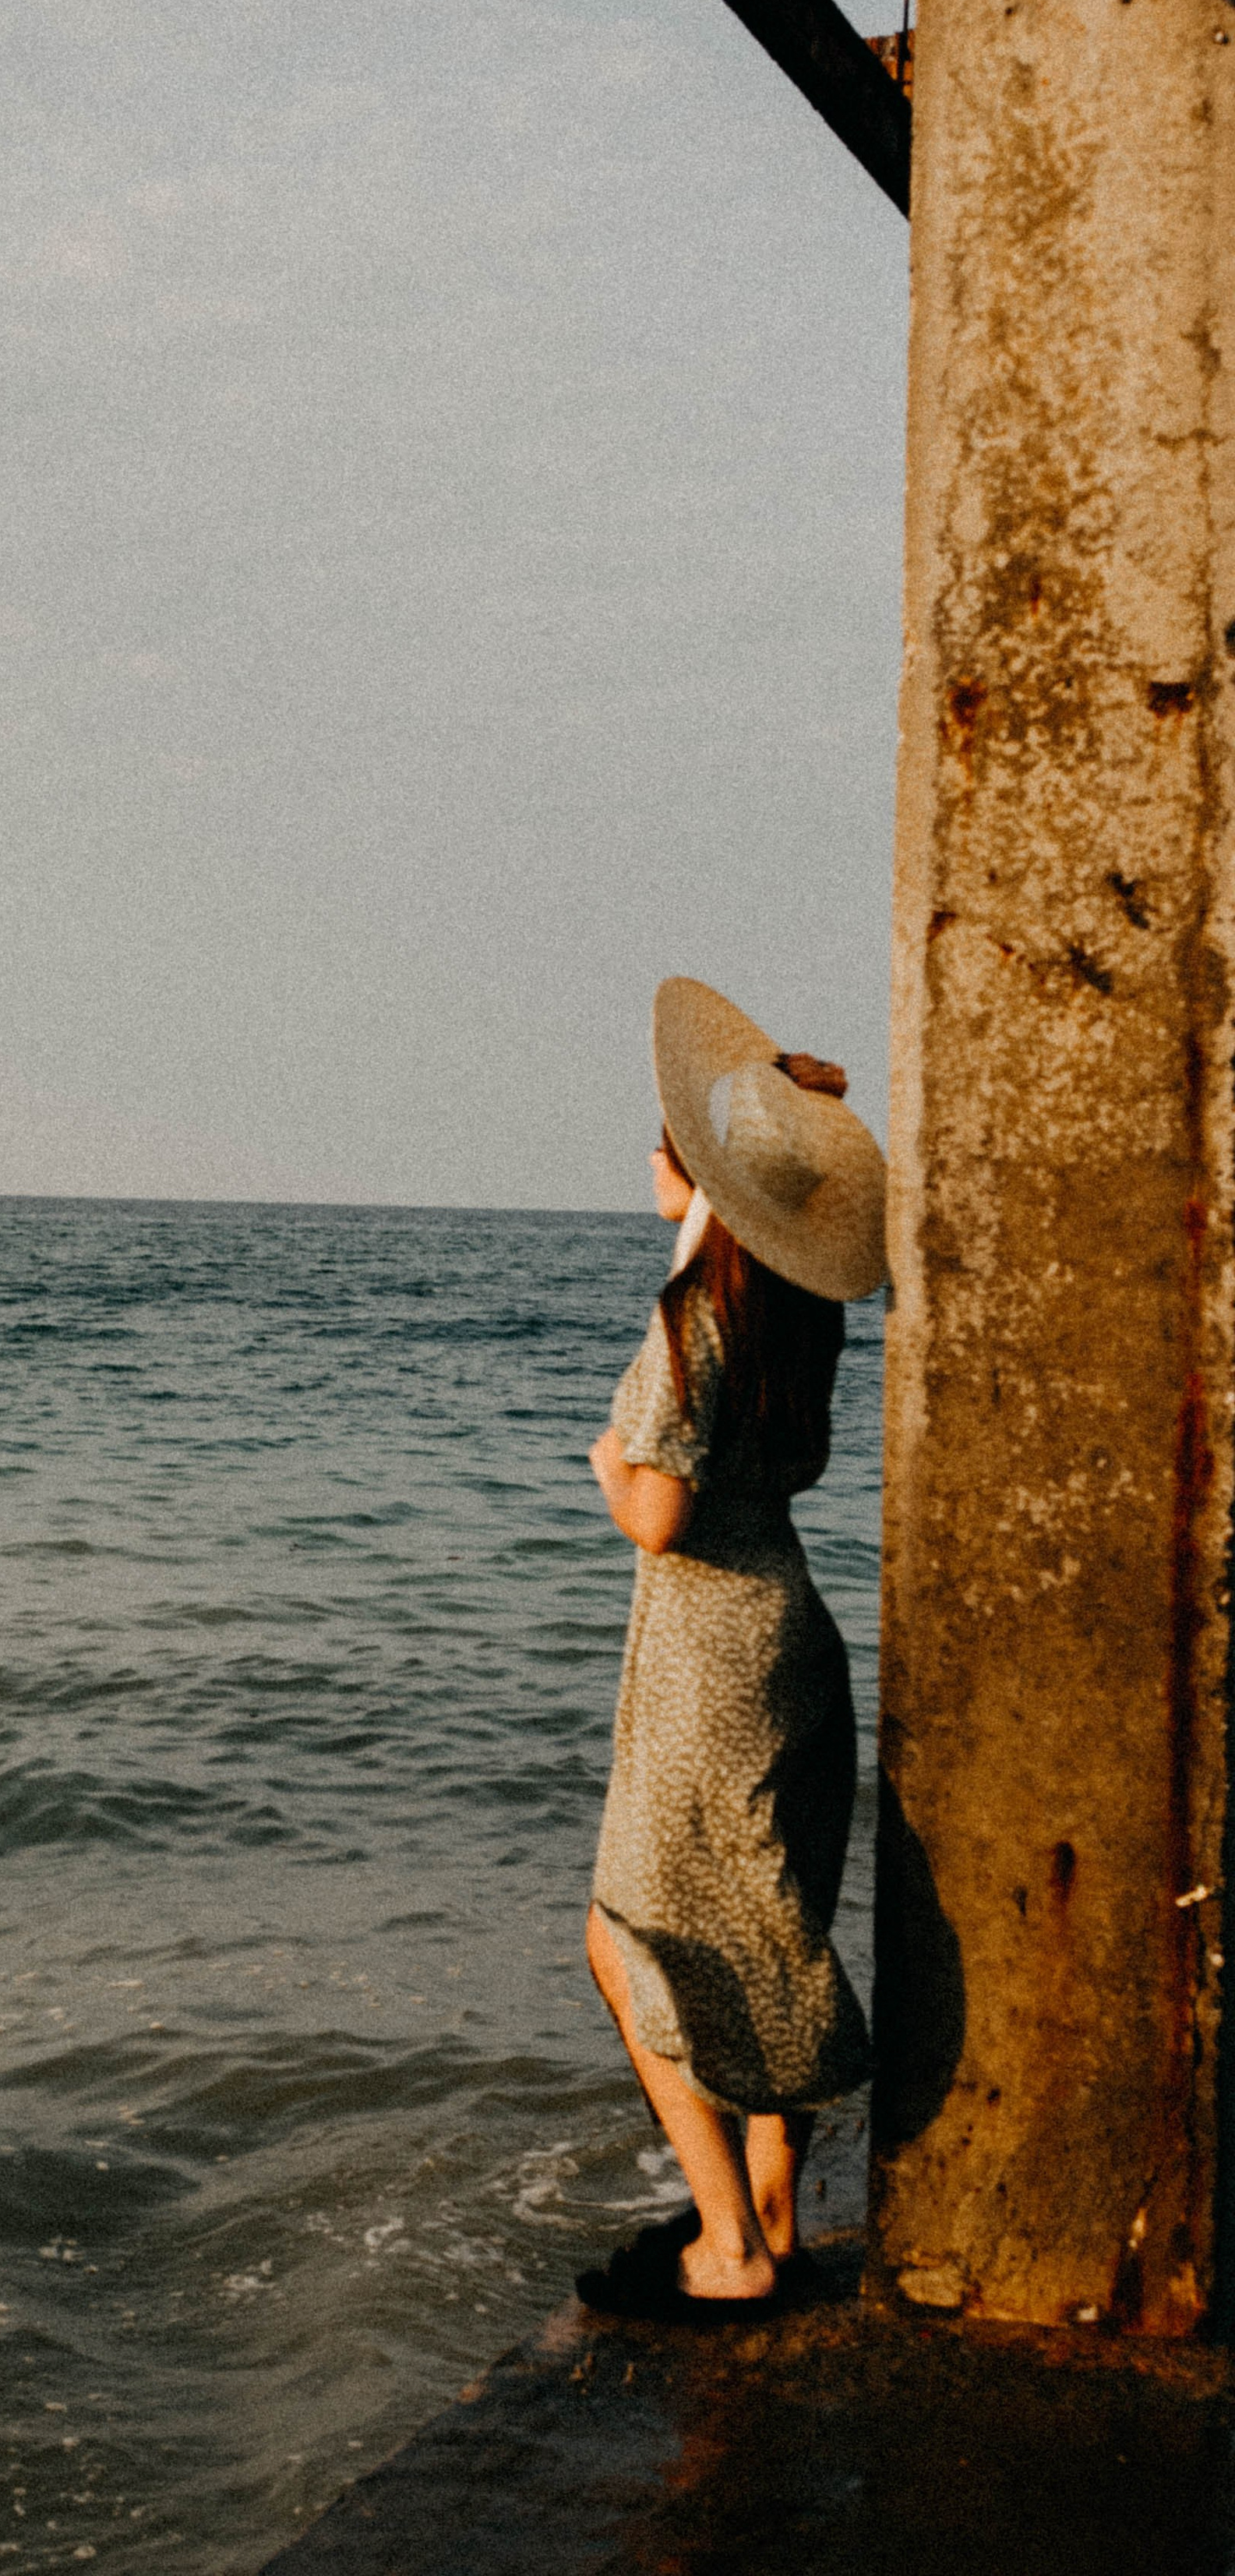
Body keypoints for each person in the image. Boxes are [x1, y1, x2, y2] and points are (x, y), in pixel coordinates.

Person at [578, 977, 887, 2316]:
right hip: (796, 1642)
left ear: (700, 1173)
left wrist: (601, 1455)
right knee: (775, 1927)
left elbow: (657, 1514)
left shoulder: (690, 1317)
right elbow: (790, 1473)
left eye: (667, 1141)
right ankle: (775, 2215)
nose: (652, 1156)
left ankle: (727, 2248)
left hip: (709, 1657)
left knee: (626, 1937)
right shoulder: (800, 1317)